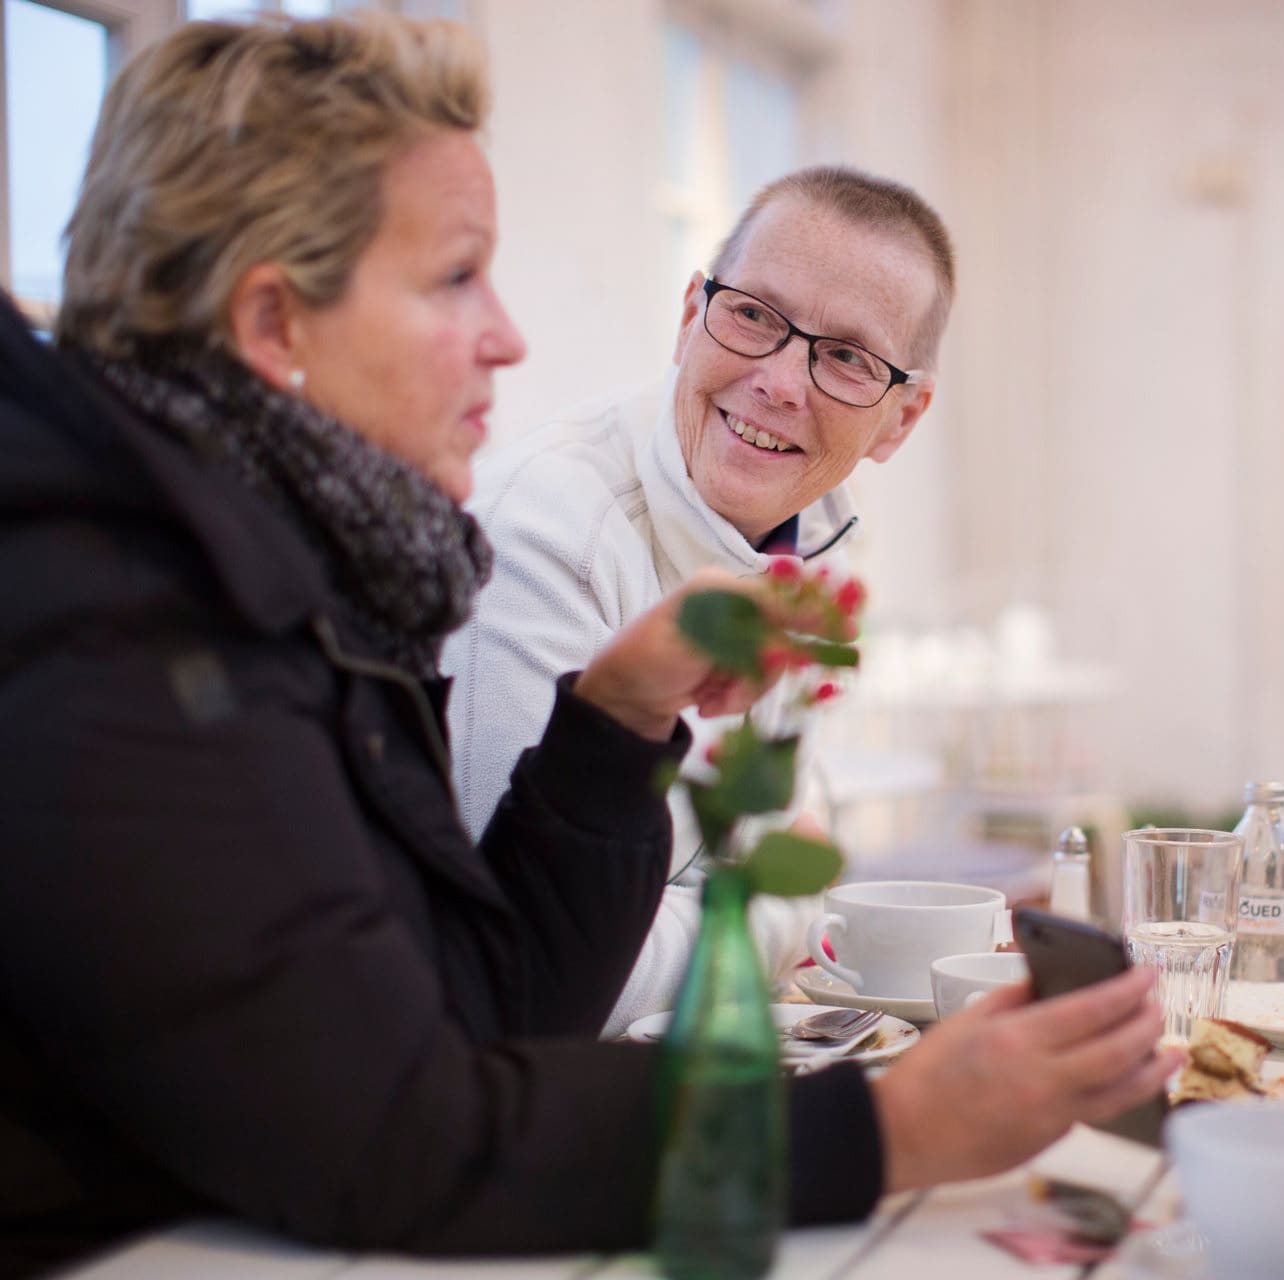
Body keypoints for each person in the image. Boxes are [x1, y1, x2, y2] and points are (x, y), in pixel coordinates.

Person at [0, 16, 1177, 1277]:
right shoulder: (123, 627)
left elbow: (483, 1004)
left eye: (843, 357)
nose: (508, 336)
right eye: (456, 278)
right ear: (277, 322)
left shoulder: (311, 581)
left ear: (899, 413)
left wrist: (611, 727)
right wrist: (887, 1124)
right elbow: (411, 1131)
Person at [444, 165, 948, 1032]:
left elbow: (770, 846)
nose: (783, 382)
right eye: (753, 314)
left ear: (900, 420)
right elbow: (525, 972)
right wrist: (774, 918)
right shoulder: (543, 531)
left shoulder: (817, 532)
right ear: (689, 316)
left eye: (848, 358)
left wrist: (742, 896)